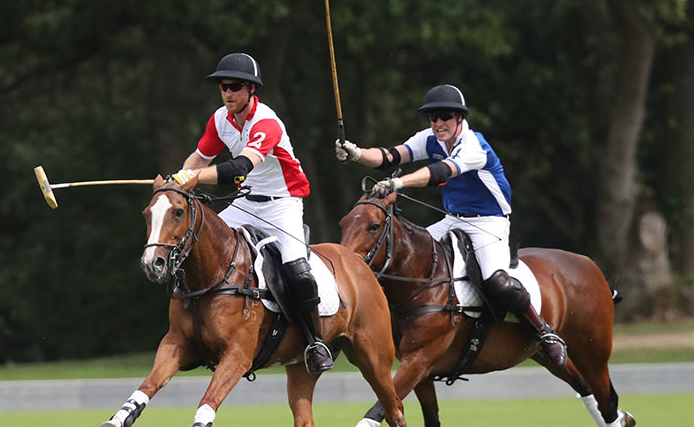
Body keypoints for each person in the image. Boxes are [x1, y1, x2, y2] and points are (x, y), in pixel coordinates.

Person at [334, 84, 567, 368]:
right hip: (452, 219)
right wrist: (356, 152)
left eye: (444, 116)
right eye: (433, 117)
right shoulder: (429, 138)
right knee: (406, 258)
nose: (438, 123)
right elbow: (390, 157)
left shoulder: (474, 146)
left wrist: (398, 182)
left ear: (459, 118)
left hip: (489, 223)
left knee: (496, 281)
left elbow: (441, 171)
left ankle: (544, 332)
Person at [171, 52, 334, 374]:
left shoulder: (267, 123)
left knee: (298, 270)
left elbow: (239, 168)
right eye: (223, 87)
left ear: (251, 89)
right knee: (195, 245)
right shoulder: (220, 119)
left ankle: (315, 342)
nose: (227, 93)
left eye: (234, 87)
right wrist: (177, 183)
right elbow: (199, 158)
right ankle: (193, 334)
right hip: (246, 202)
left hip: (282, 202)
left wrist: (193, 177)